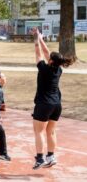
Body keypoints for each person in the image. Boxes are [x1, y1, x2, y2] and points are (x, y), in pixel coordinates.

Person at [31, 28, 73, 170]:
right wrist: (41, 38)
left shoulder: (44, 68)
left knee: (38, 131)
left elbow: (39, 52)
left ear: (50, 61)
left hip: (44, 104)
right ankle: (51, 156)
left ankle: (40, 158)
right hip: (56, 105)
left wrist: (37, 39)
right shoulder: (58, 69)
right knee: (51, 131)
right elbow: (48, 54)